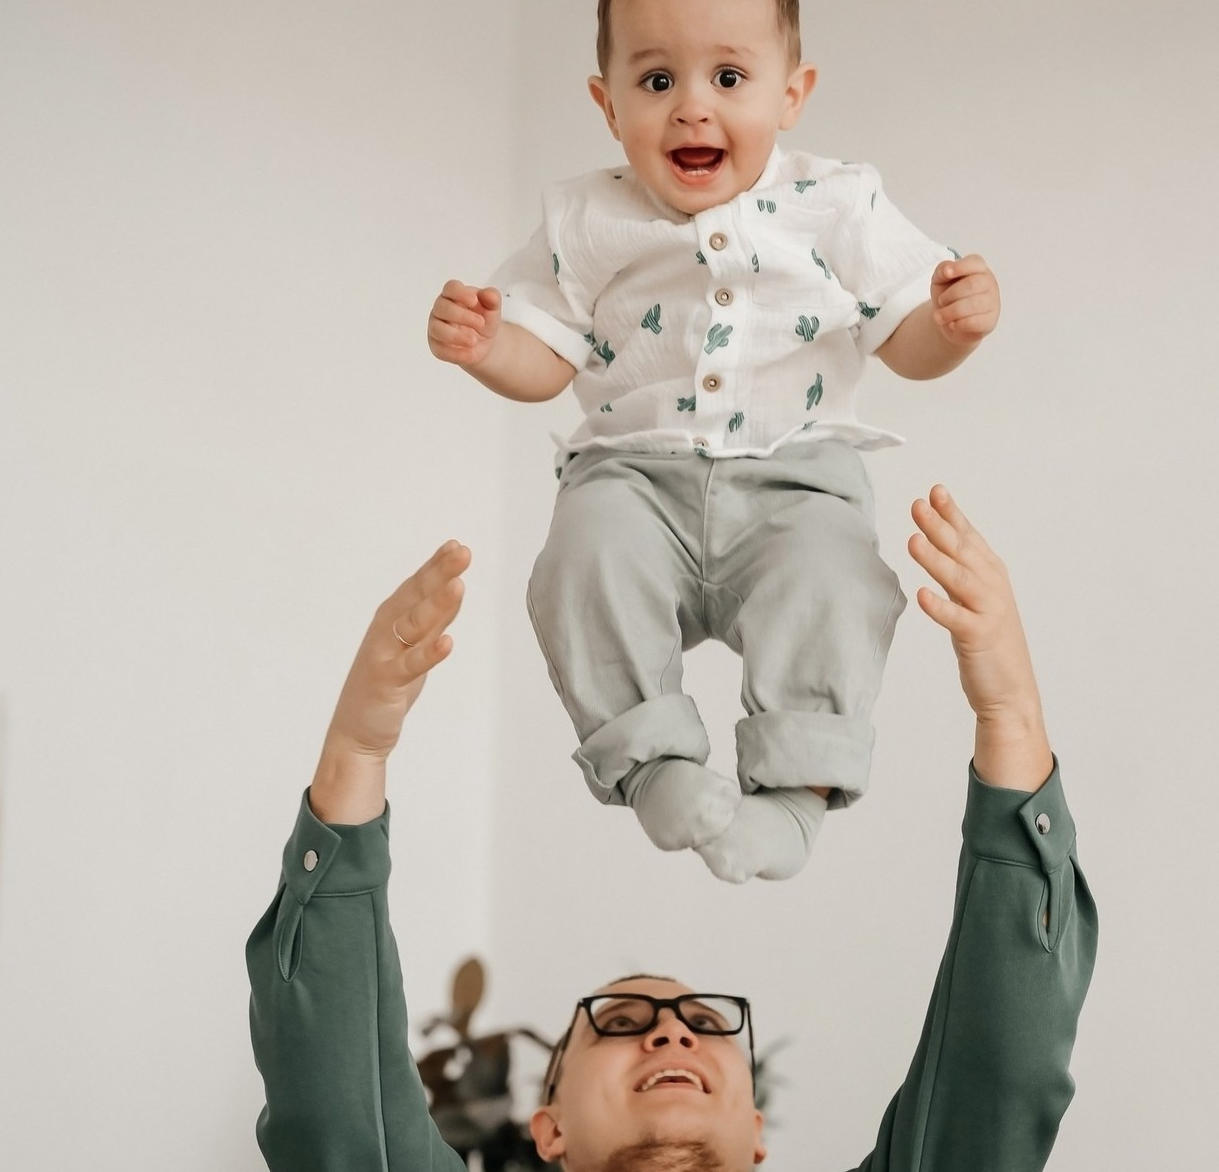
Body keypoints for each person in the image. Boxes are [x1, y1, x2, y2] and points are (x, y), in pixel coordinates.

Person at [247, 487, 1098, 1172]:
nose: (672, 1036)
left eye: (702, 1021)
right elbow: (335, 1104)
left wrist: (1010, 717)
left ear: (755, 1130)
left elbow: (998, 1076)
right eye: (619, 1023)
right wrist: (356, 752)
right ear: (549, 1129)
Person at [427, 0, 1002, 883]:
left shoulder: (839, 204)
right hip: (632, 478)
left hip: (796, 480)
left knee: (838, 584)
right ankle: (650, 760)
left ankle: (794, 798)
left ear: (791, 94)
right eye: (657, 81)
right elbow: (543, 359)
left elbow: (905, 336)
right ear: (608, 105)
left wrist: (951, 329)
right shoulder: (586, 218)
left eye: (729, 78)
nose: (692, 107)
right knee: (580, 565)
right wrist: (487, 347)